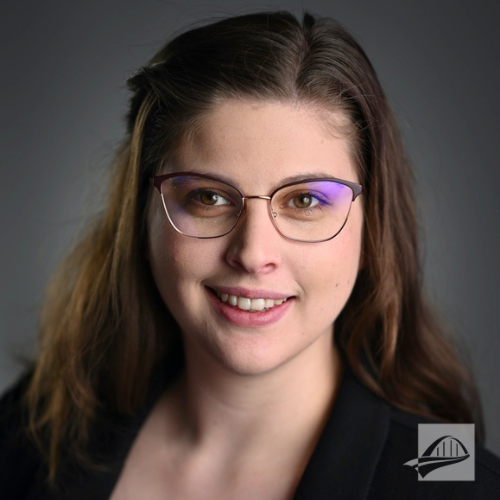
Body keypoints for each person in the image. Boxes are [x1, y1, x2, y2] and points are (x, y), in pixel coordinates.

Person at [1, 10, 499, 500]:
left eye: (305, 201)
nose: (253, 253)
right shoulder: (32, 429)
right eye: (208, 197)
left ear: (374, 231)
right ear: (141, 216)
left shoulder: (456, 474)